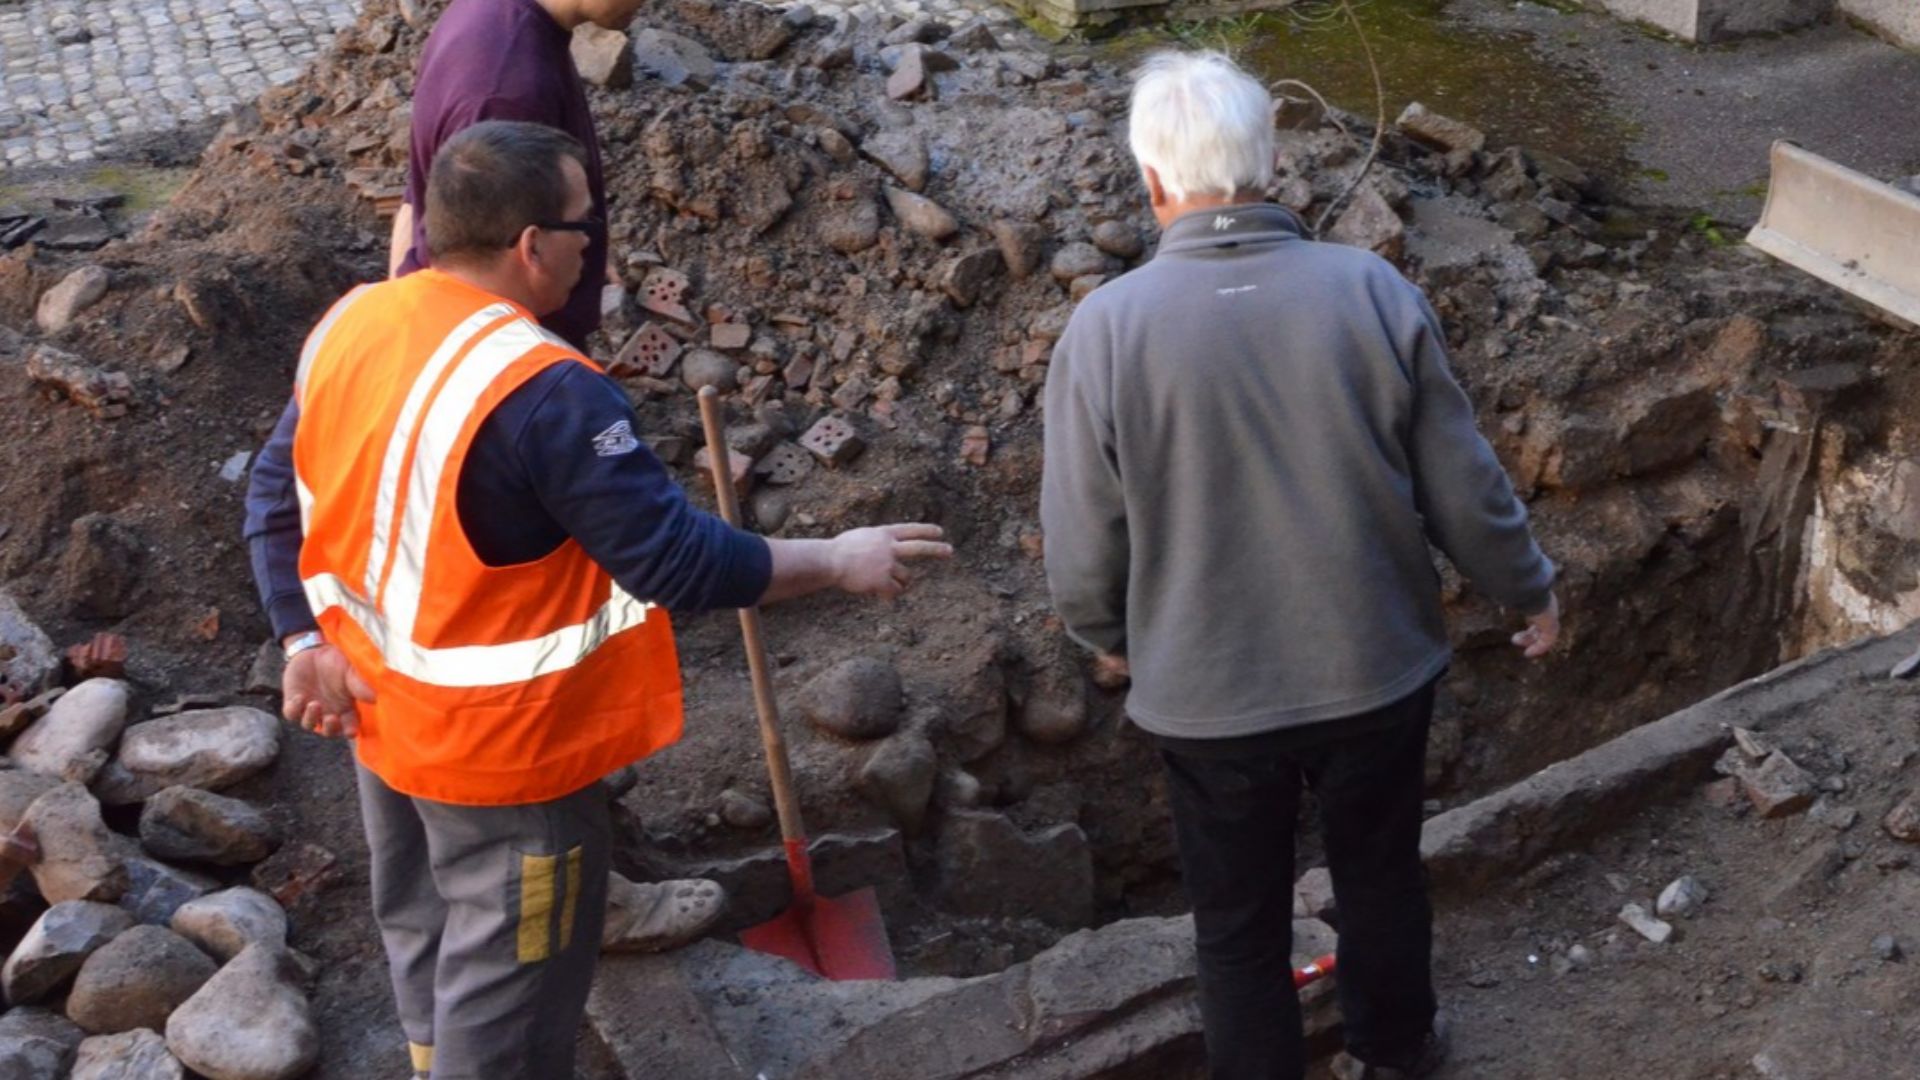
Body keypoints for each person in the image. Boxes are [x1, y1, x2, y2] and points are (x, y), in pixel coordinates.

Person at [245, 121, 951, 1080]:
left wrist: (300, 637)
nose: (595, 243)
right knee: (514, 994)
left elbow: (271, 489)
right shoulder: (545, 393)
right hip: (508, 758)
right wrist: (834, 558)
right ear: (531, 245)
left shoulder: (358, 322)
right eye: (586, 223)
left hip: (383, 709)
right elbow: (674, 560)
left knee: (423, 918)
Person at [1040, 51, 1562, 1080]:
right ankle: (1398, 1052)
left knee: (1235, 927)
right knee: (1379, 876)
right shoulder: (1369, 289)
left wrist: (1106, 639)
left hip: (1207, 699)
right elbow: (1465, 489)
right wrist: (1527, 589)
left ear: (1151, 183)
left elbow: (1082, 536)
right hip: (1376, 669)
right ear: (1271, 163)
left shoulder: (1104, 331)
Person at [388, 0, 645, 349]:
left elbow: (415, 199)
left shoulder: (493, 18)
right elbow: (487, 276)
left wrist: (577, 241)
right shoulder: (508, 94)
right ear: (532, 246)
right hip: (511, 359)